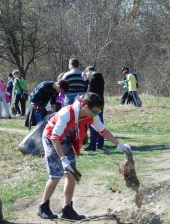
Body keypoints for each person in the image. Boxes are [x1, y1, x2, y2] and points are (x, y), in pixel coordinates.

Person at [38, 92, 131, 220]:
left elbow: (102, 130)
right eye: (95, 112)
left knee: (71, 174)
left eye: (98, 112)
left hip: (66, 139)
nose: (96, 115)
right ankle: (43, 207)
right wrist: (63, 159)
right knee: (56, 175)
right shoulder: (67, 112)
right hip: (51, 138)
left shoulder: (92, 115)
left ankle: (67, 209)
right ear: (86, 107)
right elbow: (55, 138)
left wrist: (118, 144)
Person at [84, 66, 105, 151]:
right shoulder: (101, 78)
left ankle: (92, 146)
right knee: (100, 123)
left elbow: (90, 94)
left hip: (93, 104)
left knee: (93, 124)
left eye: (86, 73)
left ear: (88, 71)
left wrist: (86, 80)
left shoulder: (92, 79)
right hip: (101, 102)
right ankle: (100, 144)